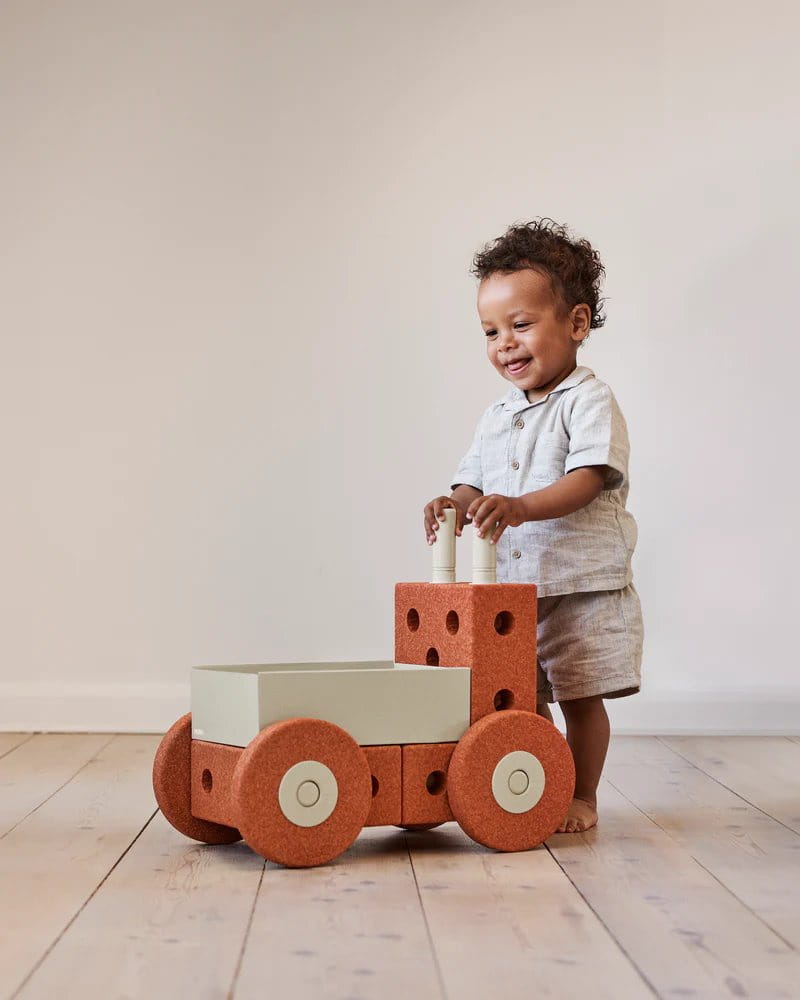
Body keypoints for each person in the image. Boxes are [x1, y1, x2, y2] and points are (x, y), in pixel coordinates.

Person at [423, 218, 643, 834]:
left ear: (576, 323)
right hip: (515, 593)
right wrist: (452, 504)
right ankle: (542, 788)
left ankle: (583, 795)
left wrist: (519, 507)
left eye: (521, 325)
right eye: (491, 331)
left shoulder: (588, 400)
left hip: (580, 586)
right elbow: (472, 482)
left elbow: (589, 478)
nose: (505, 344)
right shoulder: (496, 415)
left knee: (579, 695)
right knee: (519, 698)